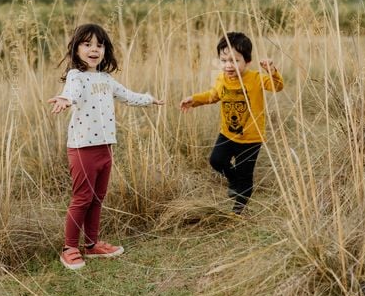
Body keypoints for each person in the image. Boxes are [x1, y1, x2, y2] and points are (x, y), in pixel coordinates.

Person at [48, 23, 163, 270]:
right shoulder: (76, 77)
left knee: (98, 198)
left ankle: (92, 245)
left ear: (105, 51)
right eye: (87, 44)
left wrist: (149, 99)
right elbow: (73, 93)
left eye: (99, 45)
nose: (94, 50)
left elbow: (127, 95)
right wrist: (65, 99)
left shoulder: (106, 79)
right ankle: (69, 248)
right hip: (82, 149)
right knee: (82, 198)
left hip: (105, 148)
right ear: (76, 48)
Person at [180, 32, 284, 214]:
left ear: (247, 61)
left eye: (235, 60)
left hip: (251, 138)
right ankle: (234, 181)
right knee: (216, 160)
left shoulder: (256, 79)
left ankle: (239, 209)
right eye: (224, 60)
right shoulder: (222, 79)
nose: (229, 65)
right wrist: (194, 100)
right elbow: (213, 96)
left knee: (245, 173)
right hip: (227, 133)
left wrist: (272, 70)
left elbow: (277, 86)